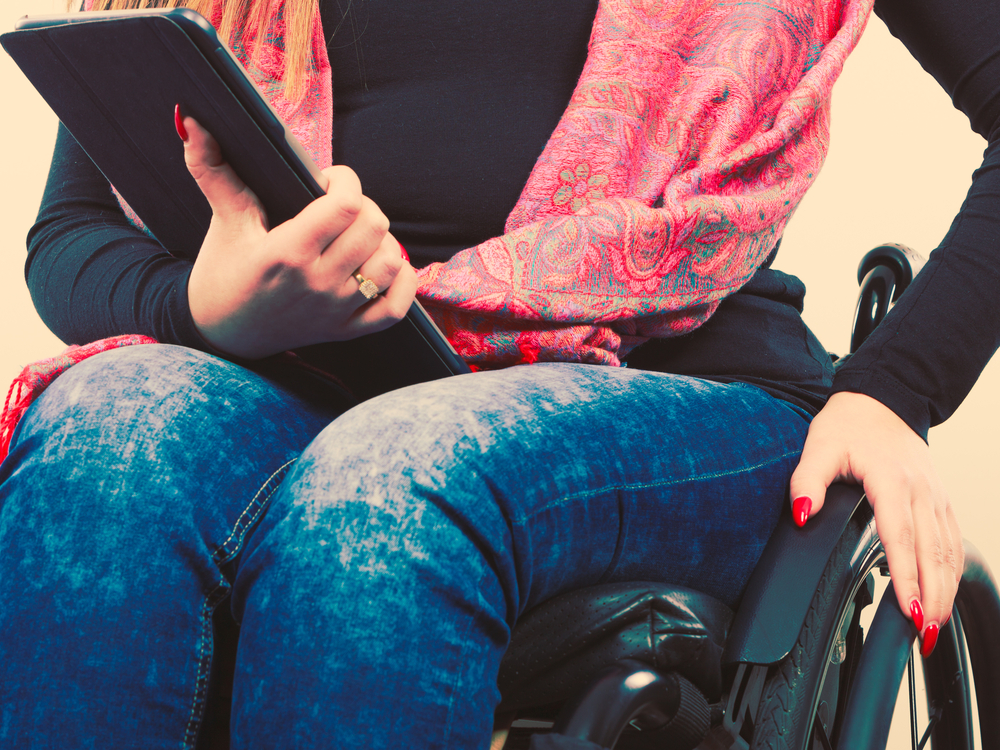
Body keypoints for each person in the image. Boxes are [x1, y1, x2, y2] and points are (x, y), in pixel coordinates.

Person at [0, 0, 990, 746]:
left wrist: (893, 388)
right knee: (105, 433)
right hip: (314, 373)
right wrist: (212, 308)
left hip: (674, 389)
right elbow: (72, 233)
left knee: (387, 478)